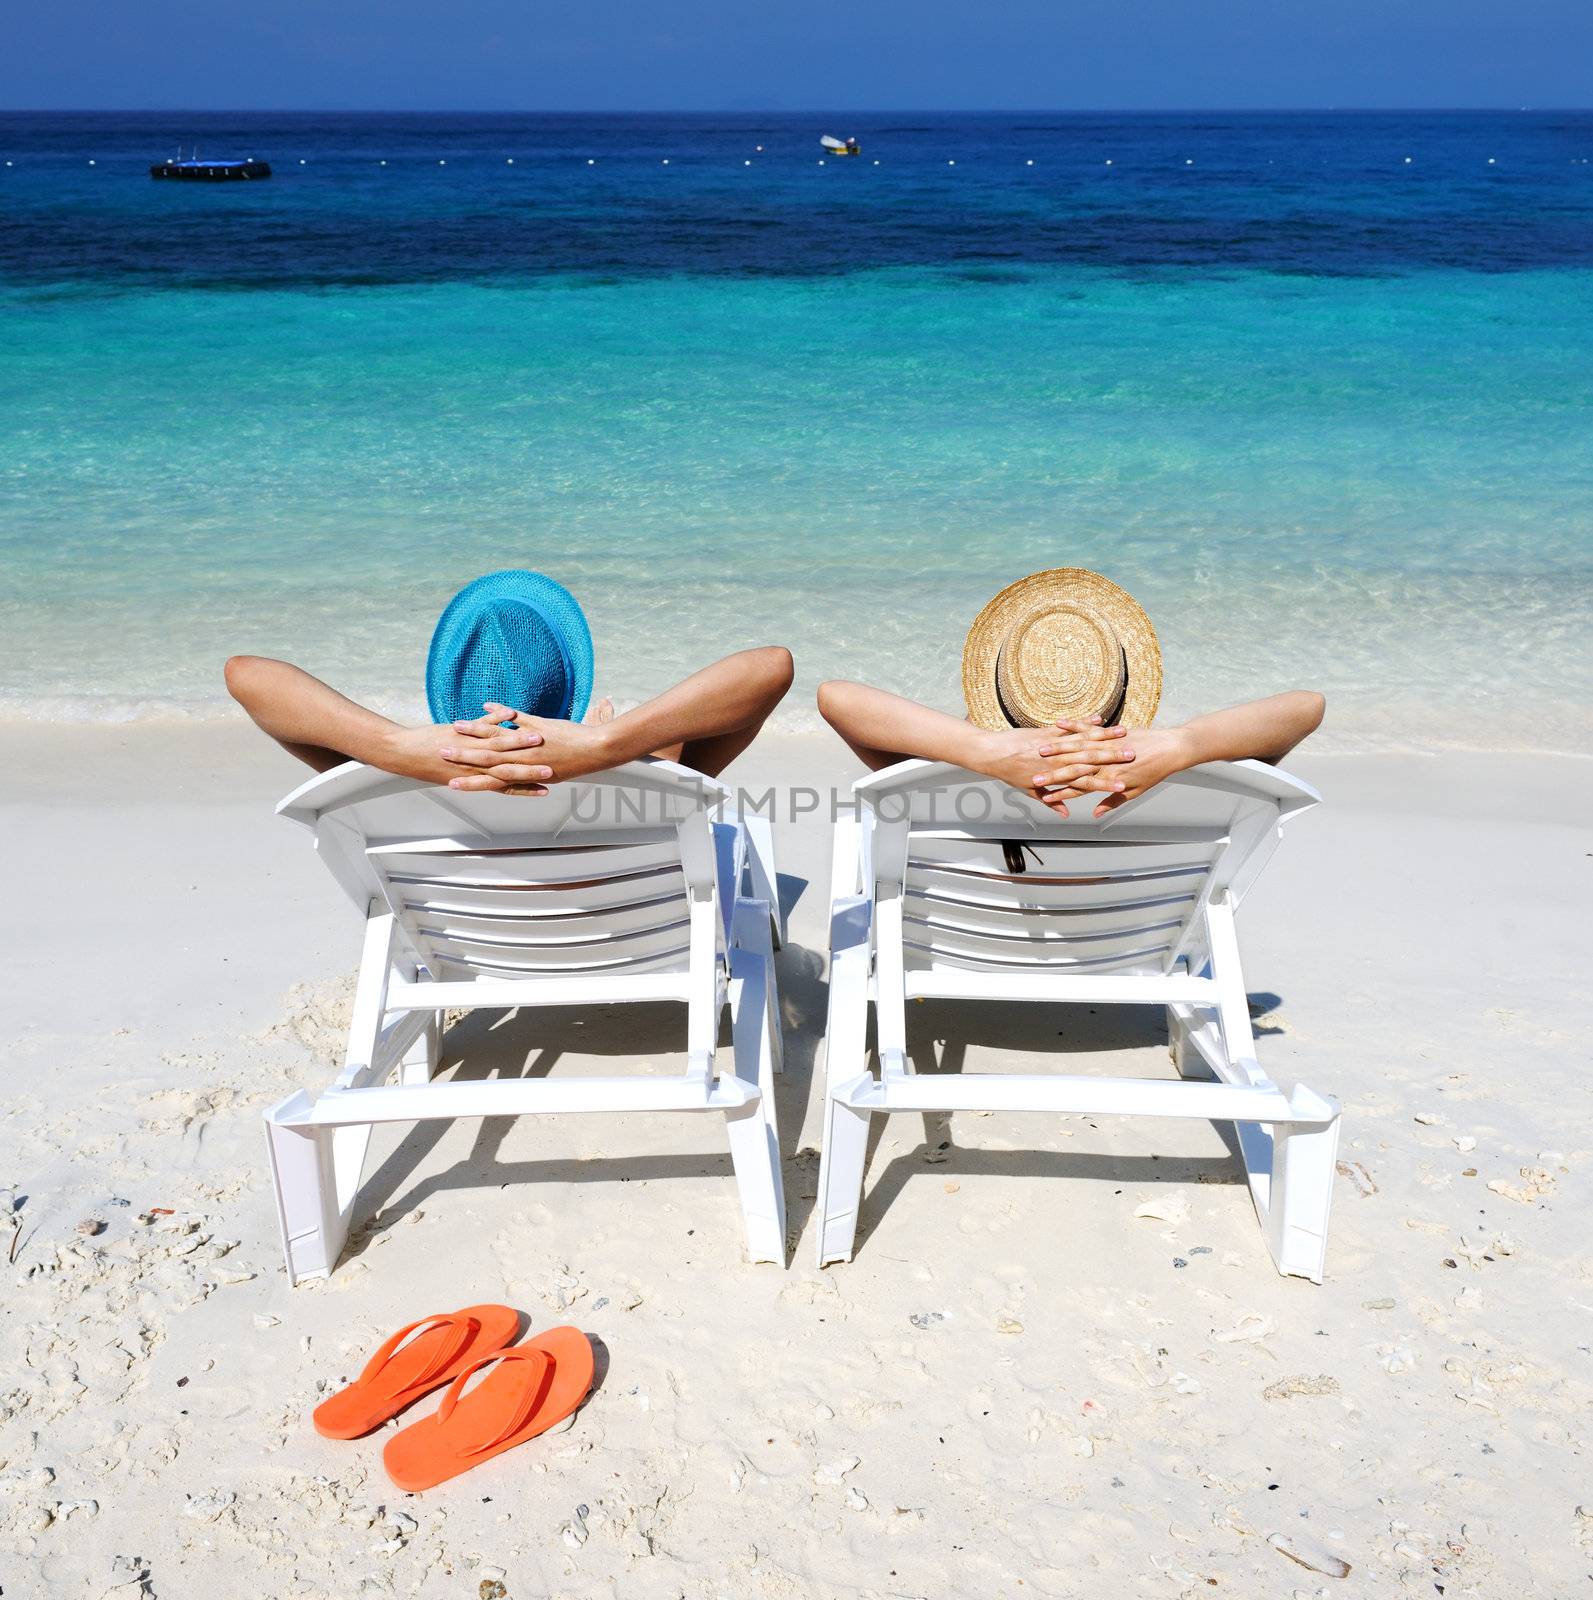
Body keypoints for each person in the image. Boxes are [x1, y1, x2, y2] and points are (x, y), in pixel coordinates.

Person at [225, 569, 793, 797]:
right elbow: (772, 668)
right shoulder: (639, 773)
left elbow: (246, 676)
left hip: (472, 939)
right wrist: (607, 746)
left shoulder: (393, 782)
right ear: (568, 684)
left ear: (448, 687)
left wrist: (394, 748)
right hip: (625, 930)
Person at [816, 567, 1324, 817]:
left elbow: (835, 697)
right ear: (1125, 691)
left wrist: (984, 751)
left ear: (995, 684)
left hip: (967, 940)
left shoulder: (947, 779)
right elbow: (1306, 707)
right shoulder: (1168, 781)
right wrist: (1183, 744)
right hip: (1128, 945)